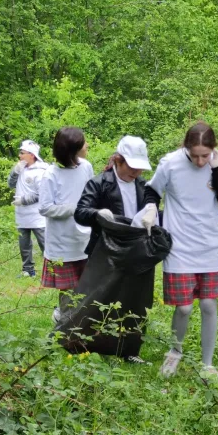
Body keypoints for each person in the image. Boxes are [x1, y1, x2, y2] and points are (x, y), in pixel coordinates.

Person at [149, 122, 218, 378]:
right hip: (179, 245)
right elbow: (152, 191)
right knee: (185, 307)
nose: (200, 161)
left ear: (213, 150)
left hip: (209, 245)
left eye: (205, 155)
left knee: (209, 305)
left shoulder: (216, 165)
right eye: (195, 155)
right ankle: (174, 351)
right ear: (186, 147)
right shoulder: (170, 163)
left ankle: (207, 363)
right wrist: (150, 210)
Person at [74, 135, 160, 363]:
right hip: (106, 251)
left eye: (140, 168)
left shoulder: (144, 187)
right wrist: (97, 214)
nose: (136, 173)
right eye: (131, 167)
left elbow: (154, 213)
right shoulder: (100, 182)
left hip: (136, 251)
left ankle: (130, 350)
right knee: (100, 298)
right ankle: (90, 346)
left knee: (135, 301)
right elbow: (80, 212)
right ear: (117, 161)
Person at [38, 127, 93, 323]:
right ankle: (64, 322)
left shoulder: (86, 167)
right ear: (72, 149)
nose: (86, 146)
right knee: (67, 288)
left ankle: (81, 322)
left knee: (85, 285)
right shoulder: (51, 174)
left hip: (84, 237)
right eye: (83, 144)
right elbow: (45, 208)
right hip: (62, 241)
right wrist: (74, 208)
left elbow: (91, 195)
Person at [8, 140, 48, 277]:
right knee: (24, 244)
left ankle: (52, 269)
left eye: (22, 153)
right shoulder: (20, 168)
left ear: (31, 155)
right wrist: (14, 172)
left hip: (37, 215)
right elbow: (10, 184)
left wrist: (23, 200)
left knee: (44, 243)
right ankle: (28, 269)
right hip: (22, 214)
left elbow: (41, 193)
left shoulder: (41, 171)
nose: (19, 156)